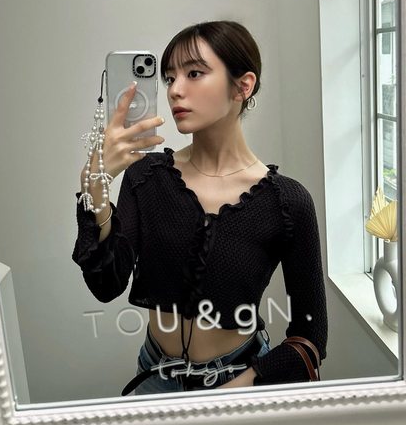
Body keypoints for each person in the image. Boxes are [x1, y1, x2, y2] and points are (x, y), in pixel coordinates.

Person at [72, 20, 328, 395]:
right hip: (154, 378)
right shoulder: (146, 176)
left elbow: (311, 335)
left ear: (243, 86)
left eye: (194, 73)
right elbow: (106, 285)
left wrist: (232, 392)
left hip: (241, 382)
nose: (175, 89)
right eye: (170, 77)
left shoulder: (287, 201)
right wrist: (95, 187)